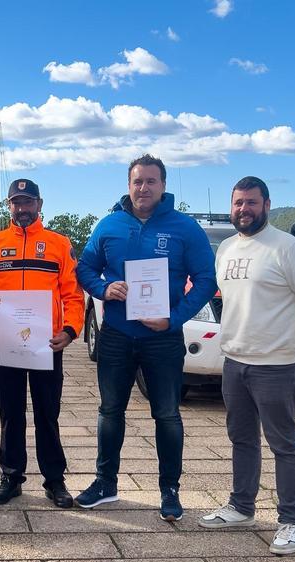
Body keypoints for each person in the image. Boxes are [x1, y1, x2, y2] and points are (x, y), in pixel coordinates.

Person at [74, 154, 216, 522]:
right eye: (137, 181)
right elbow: (85, 268)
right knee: (109, 410)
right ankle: (105, 483)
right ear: (128, 184)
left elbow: (205, 280)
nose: (144, 188)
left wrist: (174, 318)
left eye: (151, 181)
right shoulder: (108, 224)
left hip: (162, 338)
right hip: (117, 335)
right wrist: (104, 289)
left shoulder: (185, 228)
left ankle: (170, 490)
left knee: (167, 414)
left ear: (163, 185)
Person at [198, 176, 295, 554]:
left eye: (251, 202)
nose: (243, 209)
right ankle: (241, 506)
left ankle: (292, 521)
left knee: (284, 443)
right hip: (234, 361)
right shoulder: (227, 248)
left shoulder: (289, 248)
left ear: (266, 204)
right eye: (238, 203)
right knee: (242, 439)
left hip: (277, 364)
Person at [0, 178, 84, 507]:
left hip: (47, 344)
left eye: (28, 202)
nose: (22, 208)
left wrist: (70, 329)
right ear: (8, 206)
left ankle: (54, 480)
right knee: (10, 413)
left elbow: (73, 294)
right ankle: (11, 476)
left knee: (47, 414)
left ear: (39, 204)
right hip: (5, 342)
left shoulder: (59, 244)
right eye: (16, 202)